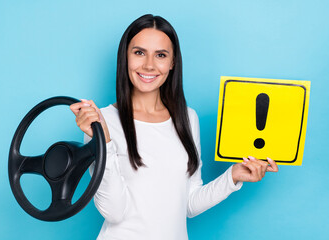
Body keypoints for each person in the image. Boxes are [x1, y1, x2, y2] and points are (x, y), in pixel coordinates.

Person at [70, 14, 278, 240]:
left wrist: (233, 177)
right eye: (139, 52)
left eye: (160, 55)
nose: (149, 65)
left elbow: (188, 203)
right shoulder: (101, 121)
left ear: (172, 63)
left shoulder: (188, 118)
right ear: (125, 58)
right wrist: (105, 141)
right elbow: (114, 211)